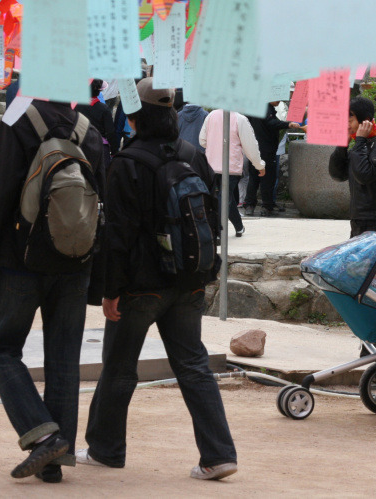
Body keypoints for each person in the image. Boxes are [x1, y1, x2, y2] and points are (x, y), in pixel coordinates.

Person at [77, 78, 237, 481]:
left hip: (142, 285)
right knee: (194, 365)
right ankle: (219, 455)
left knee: (119, 367)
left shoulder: (127, 162)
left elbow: (118, 237)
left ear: (133, 115)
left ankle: (106, 449)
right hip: (189, 280)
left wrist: (109, 292)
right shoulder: (192, 155)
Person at [0, 99, 107, 483]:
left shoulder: (19, 122)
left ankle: (45, 434)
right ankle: (55, 463)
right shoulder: (88, 130)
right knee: (64, 359)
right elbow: (98, 202)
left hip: (22, 260)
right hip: (75, 262)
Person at [328, 96, 376, 236]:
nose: (347, 125)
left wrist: (359, 141)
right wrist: (342, 146)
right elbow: (338, 174)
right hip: (359, 218)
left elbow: (364, 175)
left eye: (350, 120)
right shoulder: (361, 144)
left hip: (375, 219)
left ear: (365, 120)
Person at [199, 108, 264, 237]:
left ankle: (238, 227)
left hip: (211, 165)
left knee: (224, 198)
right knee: (226, 199)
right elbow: (250, 146)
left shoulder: (211, 116)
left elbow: (202, 141)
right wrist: (259, 165)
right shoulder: (240, 119)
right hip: (230, 167)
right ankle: (217, 231)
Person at [245, 101, 301, 216]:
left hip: (254, 147)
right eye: (277, 98)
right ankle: (267, 206)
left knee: (254, 178)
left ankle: (250, 205)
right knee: (267, 178)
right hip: (266, 149)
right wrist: (288, 124)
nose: (279, 101)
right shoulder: (266, 108)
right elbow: (271, 123)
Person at [76, 80, 119, 159]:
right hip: (99, 146)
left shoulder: (77, 106)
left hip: (81, 145)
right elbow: (110, 132)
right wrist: (114, 151)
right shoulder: (104, 109)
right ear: (99, 91)